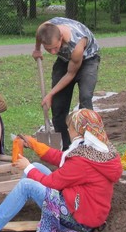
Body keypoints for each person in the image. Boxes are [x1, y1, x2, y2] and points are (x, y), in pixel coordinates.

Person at [0, 110, 122, 232]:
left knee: (27, 184)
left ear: (80, 131)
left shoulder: (83, 160)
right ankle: (0, 212)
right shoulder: (99, 149)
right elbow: (63, 159)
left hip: (78, 219)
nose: (68, 131)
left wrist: (27, 166)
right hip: (84, 208)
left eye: (70, 128)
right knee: (37, 168)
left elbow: (53, 182)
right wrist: (35, 145)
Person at [32, 17, 101, 149]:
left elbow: (70, 74)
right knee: (58, 105)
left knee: (85, 99)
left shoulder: (77, 44)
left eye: (55, 48)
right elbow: (38, 35)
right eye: (48, 49)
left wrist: (50, 94)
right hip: (65, 60)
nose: (53, 52)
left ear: (61, 37)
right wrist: (37, 49)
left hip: (88, 59)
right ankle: (66, 148)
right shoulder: (44, 29)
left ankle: (88, 145)